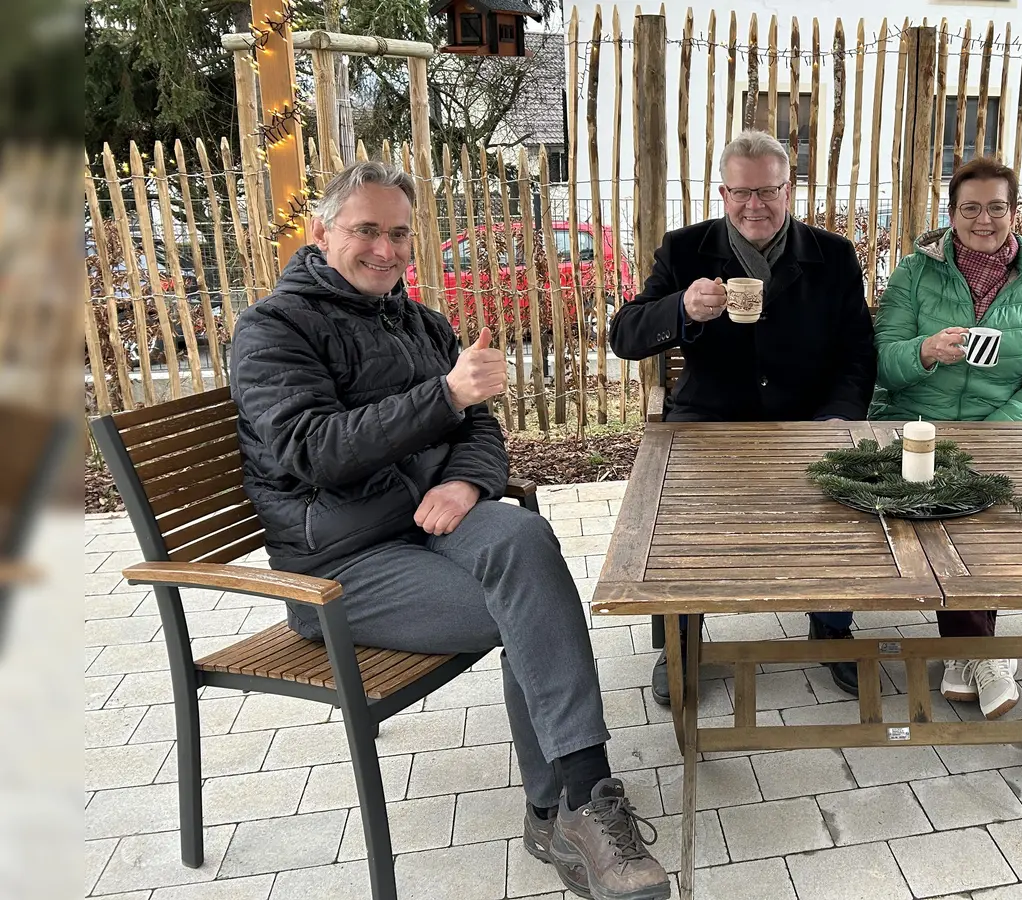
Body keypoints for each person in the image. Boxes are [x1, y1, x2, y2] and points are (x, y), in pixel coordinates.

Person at [230, 161, 670, 900]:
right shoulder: (274, 329)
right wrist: (443, 395)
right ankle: (570, 806)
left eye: (399, 233)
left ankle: (570, 804)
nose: (386, 249)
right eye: (366, 230)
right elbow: (310, 450)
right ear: (319, 231)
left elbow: (480, 428)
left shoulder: (420, 321)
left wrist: (467, 481)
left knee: (522, 542)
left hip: (428, 527)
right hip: (341, 568)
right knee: (530, 603)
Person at [611, 130, 876, 706]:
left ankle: (832, 626)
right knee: (678, 511)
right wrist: (679, 308)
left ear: (789, 189)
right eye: (741, 192)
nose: (754, 205)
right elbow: (624, 336)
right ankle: (679, 640)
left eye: (768, 191)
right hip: (709, 416)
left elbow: (858, 349)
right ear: (723, 192)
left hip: (807, 416)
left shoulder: (833, 255)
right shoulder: (685, 250)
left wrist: (839, 416)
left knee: (839, 499)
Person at [871, 156, 1022, 719]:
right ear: (952, 213)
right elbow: (882, 363)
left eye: (995, 207)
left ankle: (964, 654)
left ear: (1014, 212)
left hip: (1005, 428)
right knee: (944, 508)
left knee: (990, 512)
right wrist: (924, 351)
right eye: (969, 208)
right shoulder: (915, 273)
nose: (982, 220)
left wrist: (1000, 432)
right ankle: (985, 654)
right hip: (919, 427)